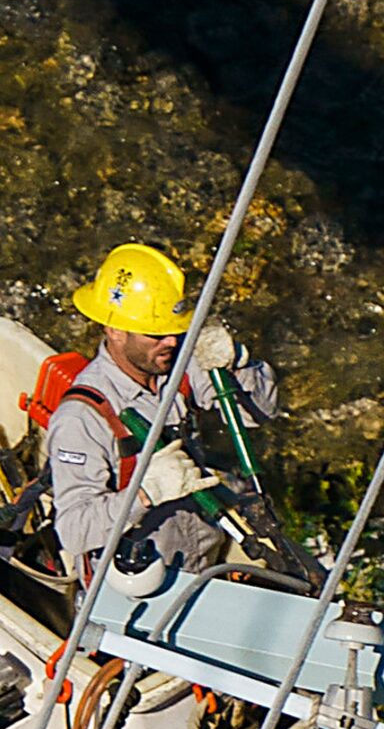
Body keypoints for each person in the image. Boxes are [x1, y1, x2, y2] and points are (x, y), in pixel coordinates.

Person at [46, 242, 278, 580]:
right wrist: (145, 494)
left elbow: (258, 414)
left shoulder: (175, 363)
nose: (170, 341)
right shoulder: (81, 418)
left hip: (206, 553)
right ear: (115, 330)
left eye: (175, 329)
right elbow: (73, 531)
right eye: (156, 333)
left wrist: (239, 364)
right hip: (144, 578)